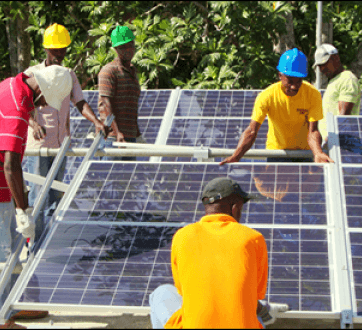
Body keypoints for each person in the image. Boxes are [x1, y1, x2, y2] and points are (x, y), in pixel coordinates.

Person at [0, 65, 73, 329]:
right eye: (46, 98)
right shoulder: (16, 110)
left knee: (11, 246)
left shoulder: (13, 84)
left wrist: (19, 202)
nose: (45, 104)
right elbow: (11, 165)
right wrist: (23, 210)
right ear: (41, 89)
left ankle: (11, 306)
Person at [149, 177, 289, 328]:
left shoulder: (181, 236)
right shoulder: (253, 238)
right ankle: (265, 310)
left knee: (161, 292)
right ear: (235, 208)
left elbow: (183, 291)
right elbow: (252, 294)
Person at [25, 23, 110, 247]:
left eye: (63, 50)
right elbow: (20, 107)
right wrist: (33, 124)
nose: (60, 55)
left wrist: (97, 122)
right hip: (39, 146)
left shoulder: (68, 75)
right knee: (38, 196)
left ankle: (49, 244)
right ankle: (33, 244)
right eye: (56, 50)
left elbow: (79, 103)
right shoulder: (32, 74)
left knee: (54, 195)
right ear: (46, 50)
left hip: (61, 145)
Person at [220, 48, 334, 165]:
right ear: (280, 75)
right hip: (277, 152)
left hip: (304, 153)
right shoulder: (267, 96)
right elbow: (252, 131)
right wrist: (236, 155)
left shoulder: (312, 94)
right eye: (290, 81)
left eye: (298, 81)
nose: (294, 86)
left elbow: (313, 131)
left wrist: (318, 153)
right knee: (276, 183)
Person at [98, 25, 141, 161]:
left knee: (126, 180)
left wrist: (137, 134)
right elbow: (106, 103)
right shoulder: (109, 71)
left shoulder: (133, 71)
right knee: (110, 179)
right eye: (123, 47)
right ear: (116, 49)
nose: (128, 50)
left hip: (129, 137)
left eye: (130, 45)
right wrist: (117, 133)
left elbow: (131, 107)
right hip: (112, 138)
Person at [313, 43, 362, 144]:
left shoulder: (347, 79)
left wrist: (330, 139)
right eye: (319, 66)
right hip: (329, 142)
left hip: (337, 142)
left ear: (336, 58)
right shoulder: (334, 80)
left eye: (325, 63)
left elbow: (343, 117)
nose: (322, 69)